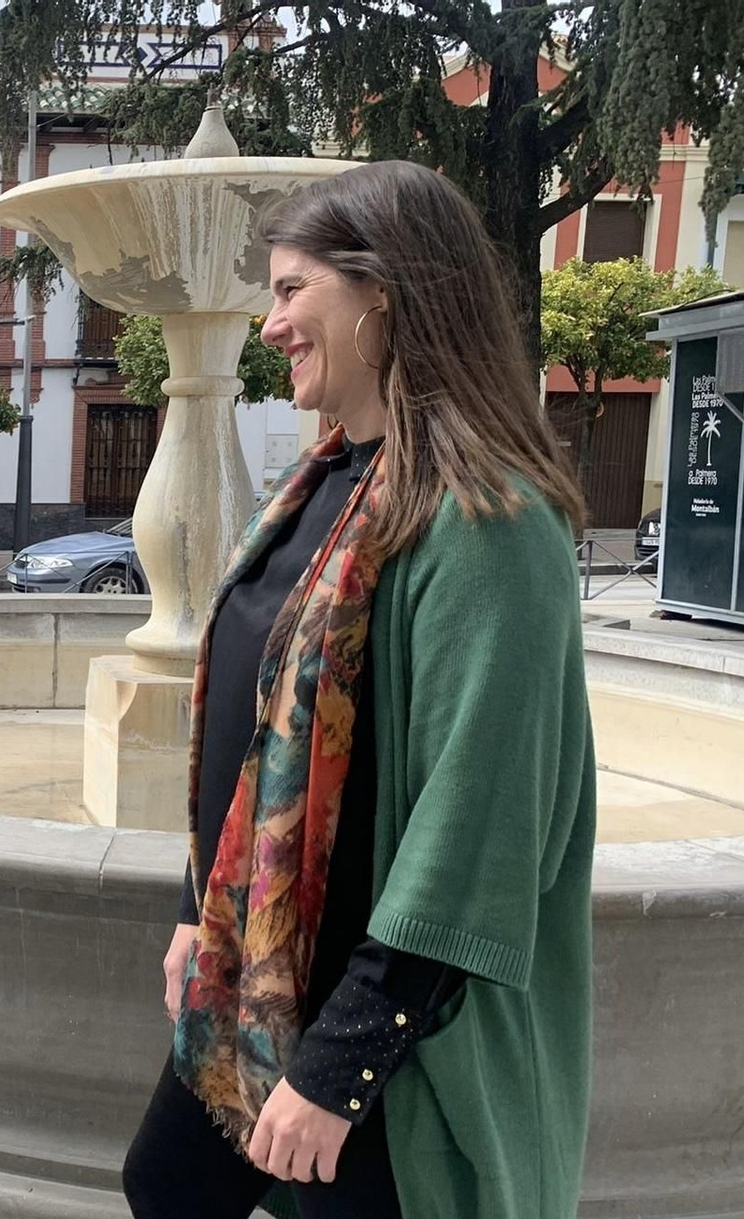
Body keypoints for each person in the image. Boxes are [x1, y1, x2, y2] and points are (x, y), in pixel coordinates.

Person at [122, 160, 595, 1219]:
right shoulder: (321, 486)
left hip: (386, 1025)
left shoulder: (489, 519)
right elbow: (250, 738)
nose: (272, 321)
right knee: (162, 1184)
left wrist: (339, 1068)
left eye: (293, 290)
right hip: (260, 981)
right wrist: (198, 914)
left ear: (380, 290)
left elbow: (478, 824)